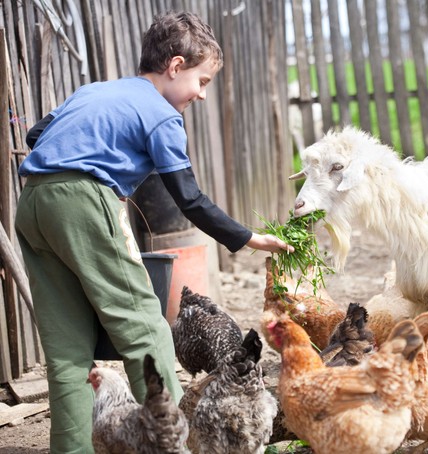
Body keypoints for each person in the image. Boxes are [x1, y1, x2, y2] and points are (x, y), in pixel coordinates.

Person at [15, 11, 293, 453]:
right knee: (145, 327)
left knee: (67, 349)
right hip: (84, 202)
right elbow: (189, 198)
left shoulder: (94, 91)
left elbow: (36, 133)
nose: (201, 96)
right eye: (202, 82)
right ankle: (176, 445)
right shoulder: (162, 115)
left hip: (32, 203)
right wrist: (249, 238)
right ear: (176, 66)